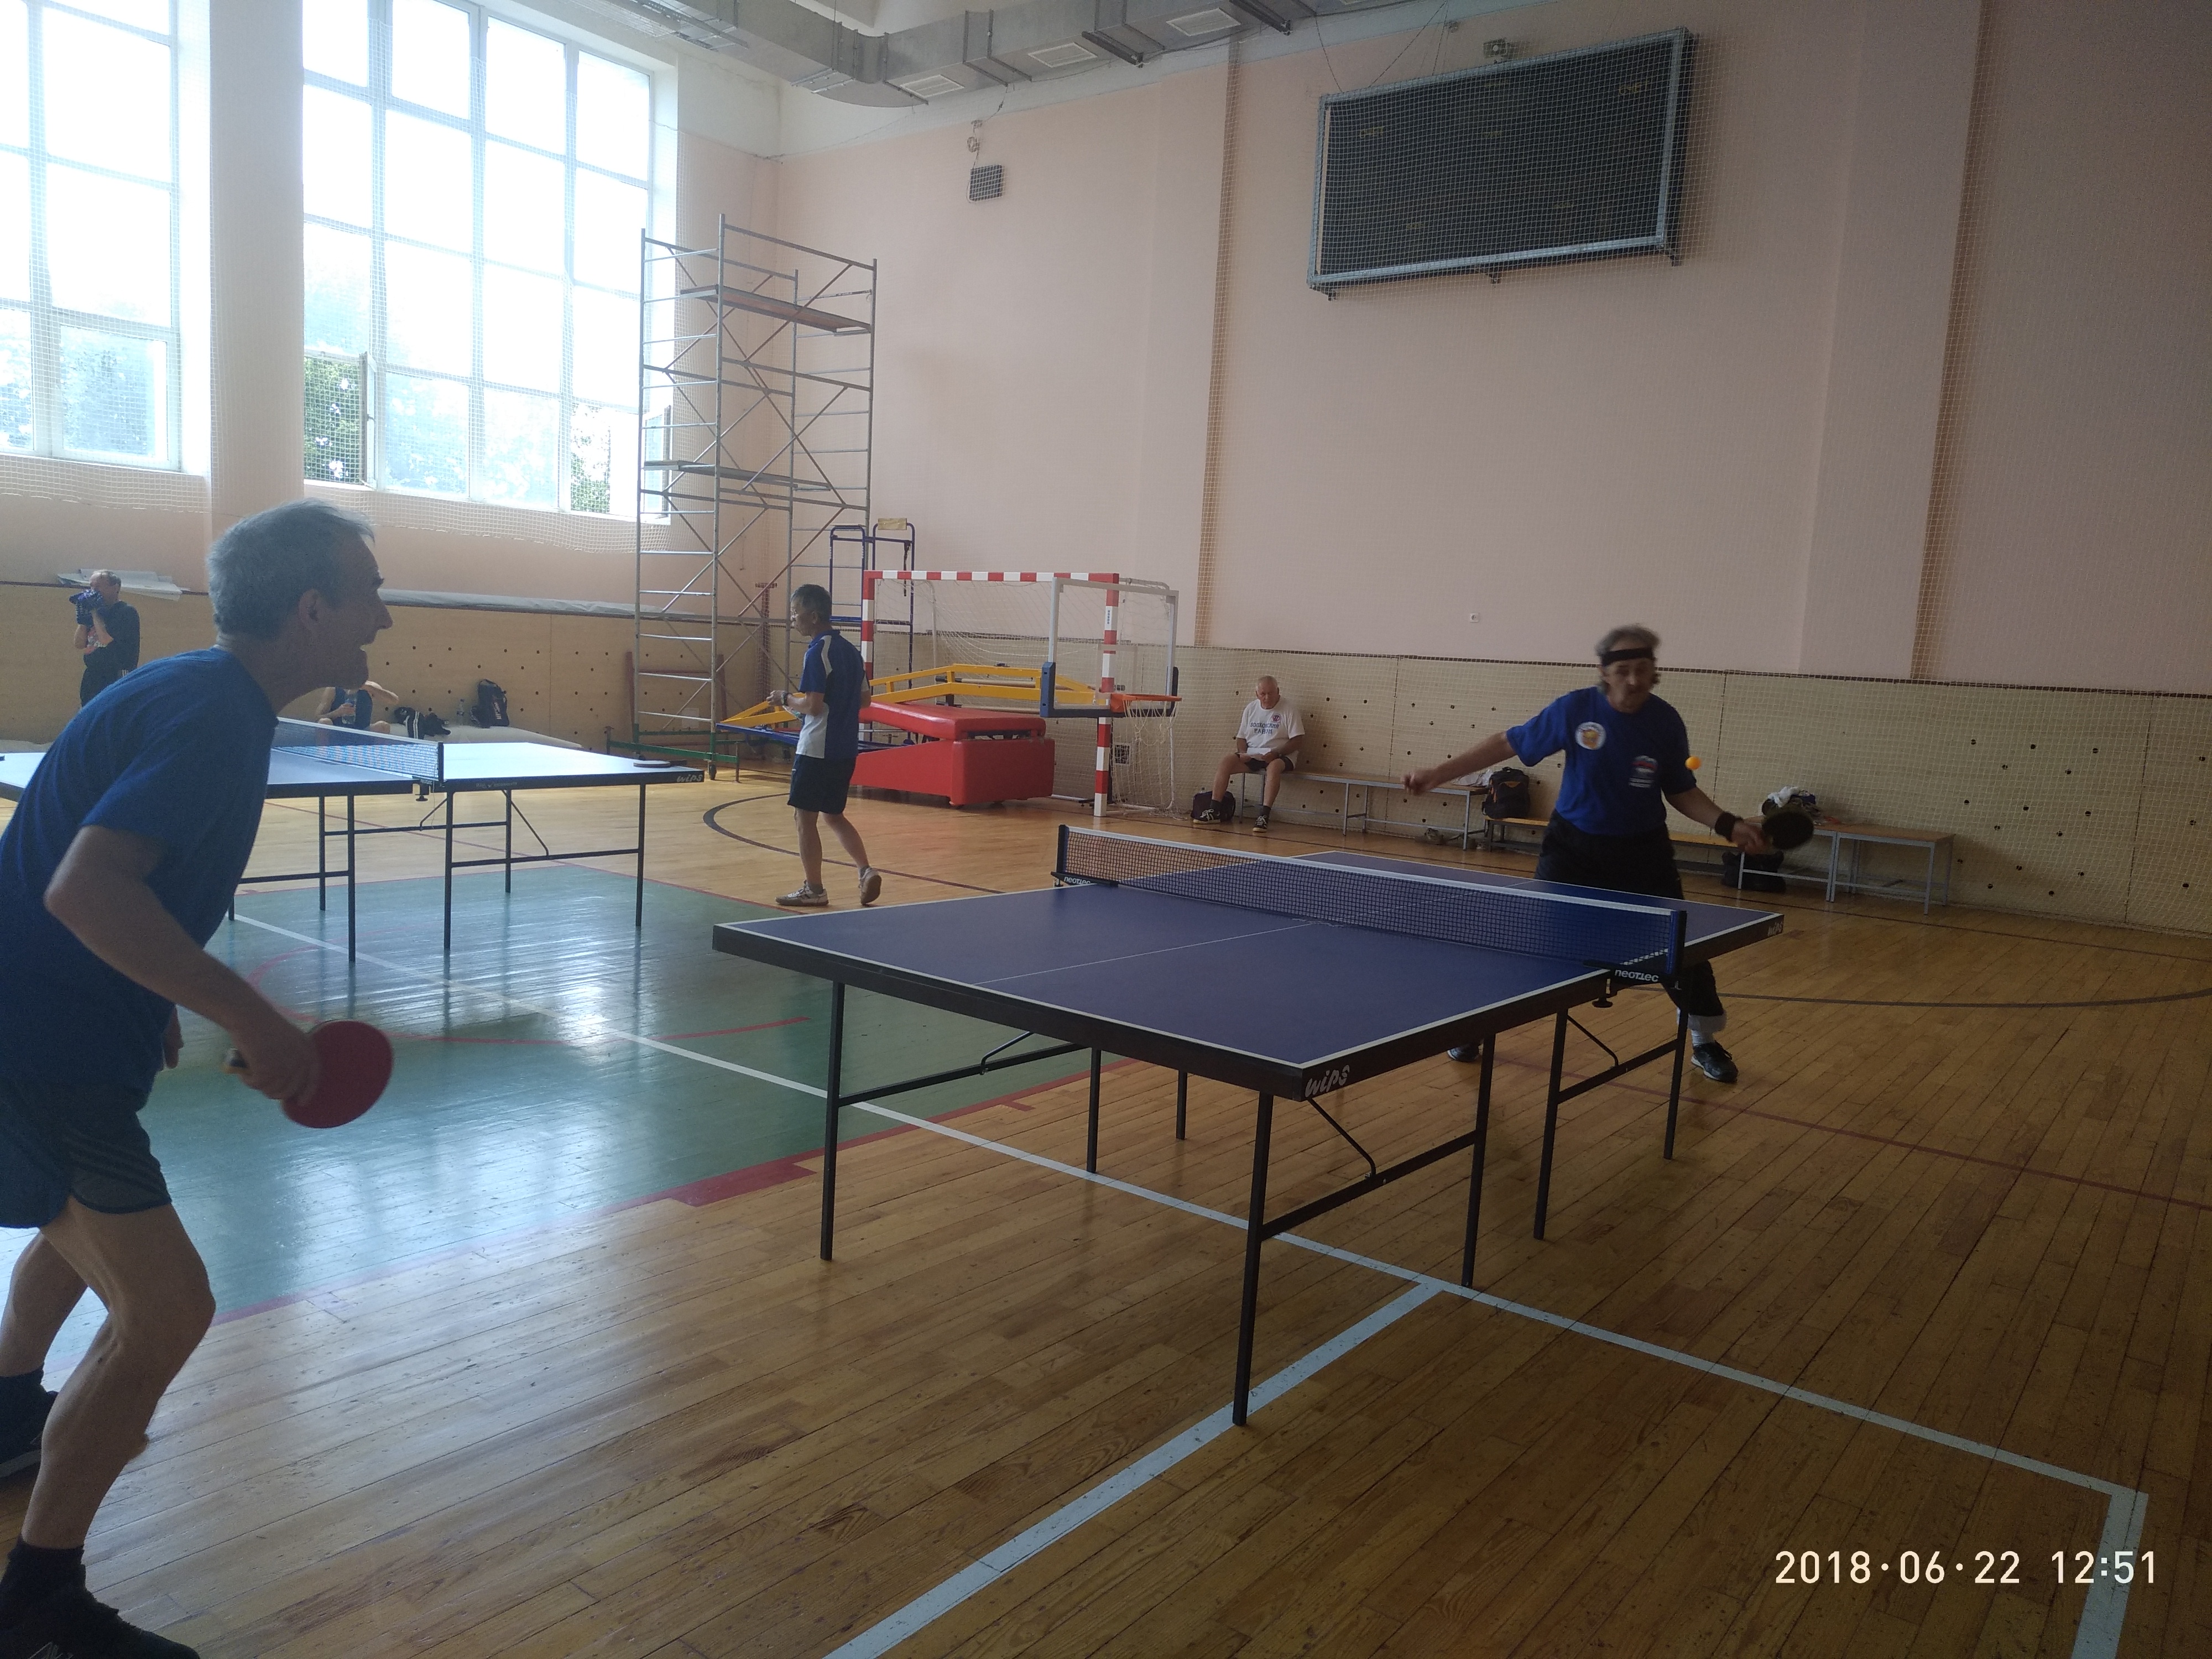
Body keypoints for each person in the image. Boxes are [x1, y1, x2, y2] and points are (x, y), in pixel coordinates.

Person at [0, 499, 392, 1659]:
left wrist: (151, 986)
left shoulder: (190, 691)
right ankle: (37, 1607)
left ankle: (7, 1411)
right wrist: (254, 1016)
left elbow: (79, 862)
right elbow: (84, 886)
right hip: (39, 1046)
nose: (382, 617)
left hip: (61, 1025)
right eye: (368, 594)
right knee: (167, 1310)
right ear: (311, 609)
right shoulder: (216, 715)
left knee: (75, 1236)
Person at [1403, 625, 1769, 1084]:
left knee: (1680, 949)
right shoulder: (1576, 709)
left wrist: (1728, 824)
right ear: (1604, 672)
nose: (1634, 680)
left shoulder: (1666, 722)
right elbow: (1508, 742)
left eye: (1643, 669)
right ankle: (1479, 1026)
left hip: (1643, 853)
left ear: (1654, 672)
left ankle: (1704, 1041)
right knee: (1529, 944)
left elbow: (1680, 789)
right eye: (1624, 670)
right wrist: (1440, 773)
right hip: (1572, 849)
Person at [768, 584, 881, 909]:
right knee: (834, 815)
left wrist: (785, 698)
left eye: (796, 613)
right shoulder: (852, 652)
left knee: (804, 818)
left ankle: (814, 889)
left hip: (816, 749)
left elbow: (814, 706)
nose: (793, 619)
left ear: (814, 616)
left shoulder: (817, 651)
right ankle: (865, 870)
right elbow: (865, 700)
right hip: (845, 749)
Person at [1196, 676, 1306, 833]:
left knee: (1274, 768)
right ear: (1257, 694)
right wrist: (1243, 753)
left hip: (1280, 755)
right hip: (1254, 754)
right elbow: (1241, 738)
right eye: (1263, 694)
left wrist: (1277, 753)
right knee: (1227, 761)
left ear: (1278, 692)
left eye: (1270, 693)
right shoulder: (1251, 709)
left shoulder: (1289, 709)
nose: (1267, 697)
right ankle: (1214, 810)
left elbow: (1298, 740)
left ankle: (1264, 816)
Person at [71, 573, 141, 708]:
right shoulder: (97, 612)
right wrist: (83, 620)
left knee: (114, 711)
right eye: (92, 586)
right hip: (93, 674)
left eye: (98, 587)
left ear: (115, 588)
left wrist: (94, 613)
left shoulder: (126, 612)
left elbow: (105, 639)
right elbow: (79, 644)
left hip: (116, 674)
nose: (94, 591)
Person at [313, 679, 400, 733]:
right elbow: (318, 717)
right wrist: (337, 713)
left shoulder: (369, 687)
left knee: (383, 726)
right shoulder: (333, 689)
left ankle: (377, 756)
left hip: (362, 732)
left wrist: (370, 688)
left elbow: (394, 700)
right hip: (338, 732)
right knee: (324, 723)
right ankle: (322, 755)